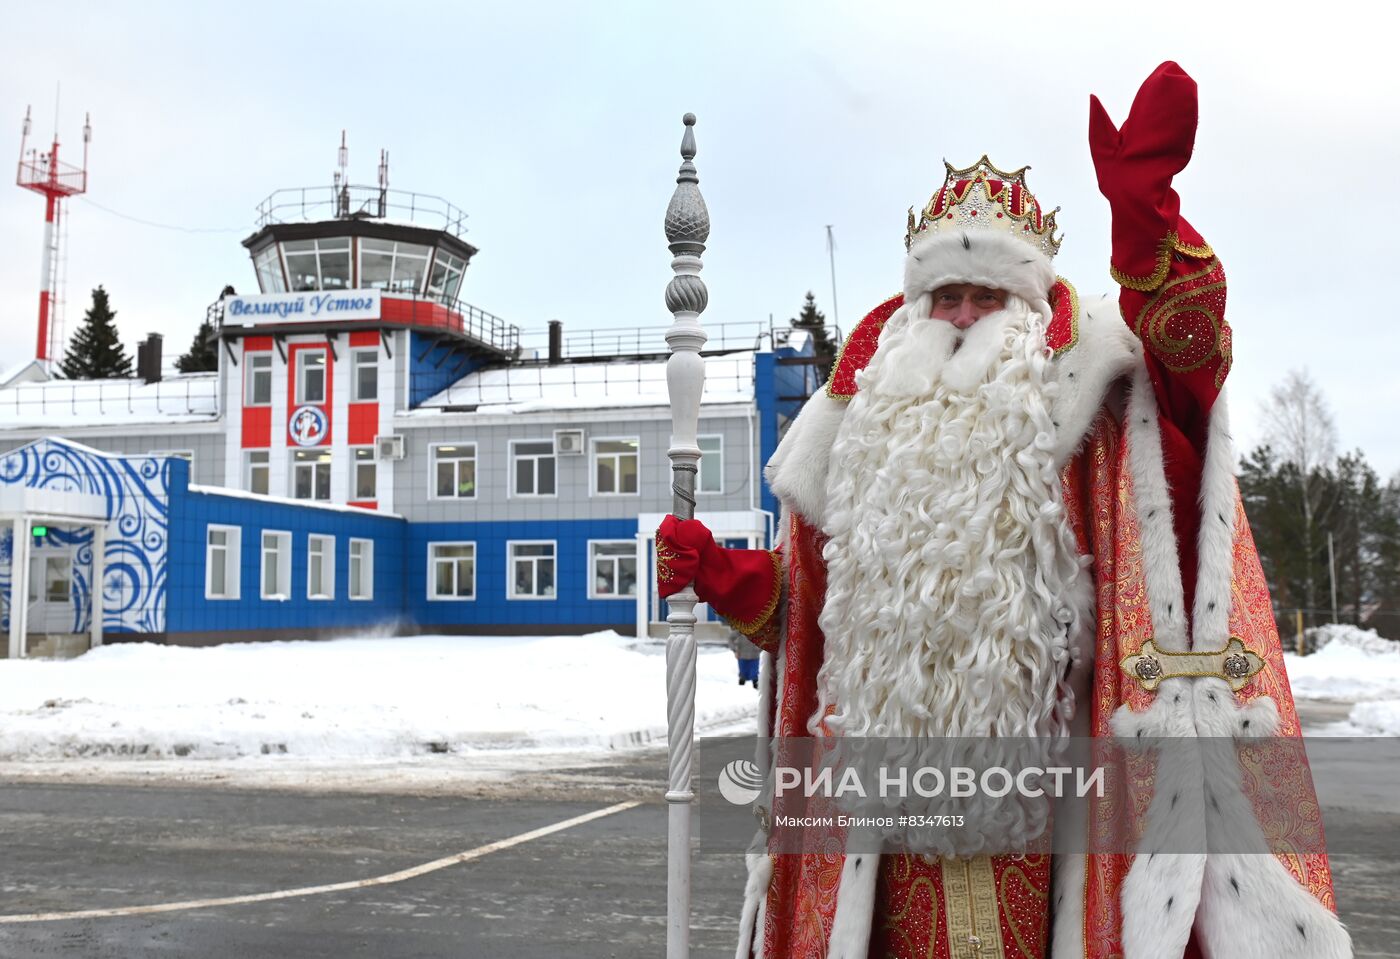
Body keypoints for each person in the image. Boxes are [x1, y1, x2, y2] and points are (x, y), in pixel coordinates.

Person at [656, 63, 1350, 959]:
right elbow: (811, 618)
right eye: (946, 295)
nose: (964, 316)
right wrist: (731, 577)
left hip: (1055, 821)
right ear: (917, 306)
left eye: (987, 297)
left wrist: (1150, 241)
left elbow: (1188, 396)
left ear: (1026, 309)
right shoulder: (865, 421)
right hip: (889, 837)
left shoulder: (1083, 407)